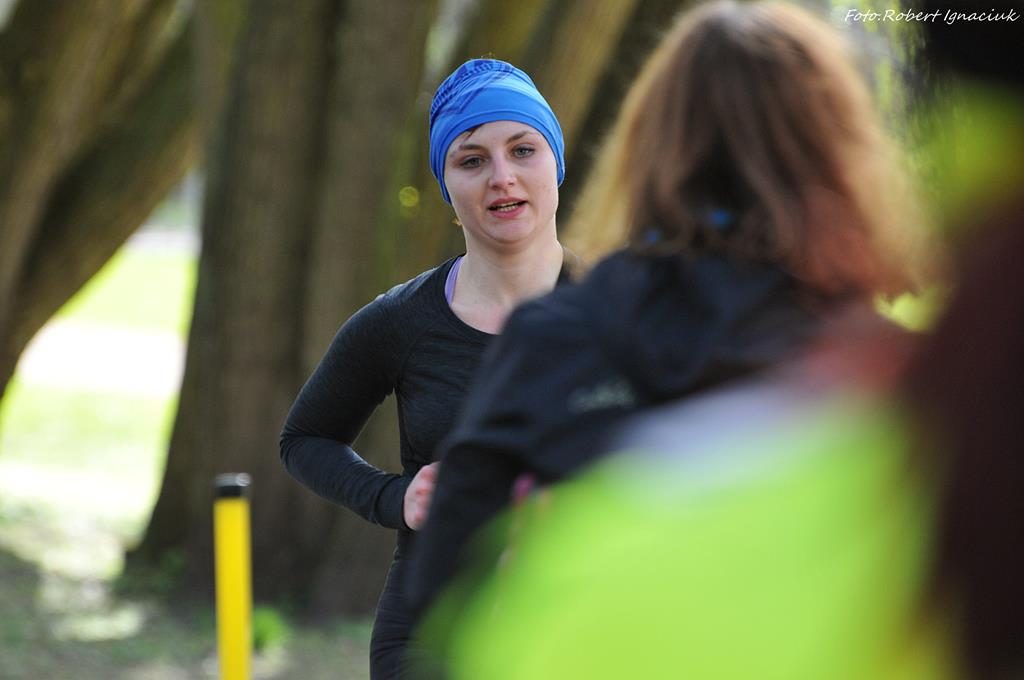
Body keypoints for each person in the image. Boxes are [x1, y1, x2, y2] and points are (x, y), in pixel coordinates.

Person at [407, 0, 928, 622]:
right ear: (841, 152)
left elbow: (443, 604)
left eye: (523, 150)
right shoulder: (906, 376)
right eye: (472, 159)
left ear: (647, 146)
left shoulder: (551, 341)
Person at [279, 58, 573, 679]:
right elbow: (304, 439)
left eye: (523, 150)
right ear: (446, 187)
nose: (502, 177)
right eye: (472, 160)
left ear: (556, 163)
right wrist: (394, 496)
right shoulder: (401, 321)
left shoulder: (623, 311)